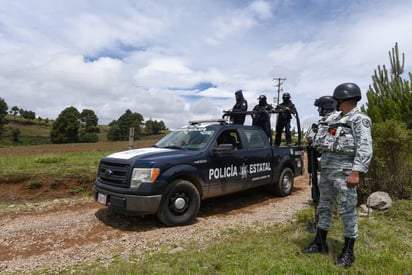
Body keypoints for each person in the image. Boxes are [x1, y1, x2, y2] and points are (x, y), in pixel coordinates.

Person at [303, 83, 373, 269]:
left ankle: (348, 252)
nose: (336, 104)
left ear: (343, 99)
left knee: (347, 211)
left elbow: (365, 147)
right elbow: (317, 133)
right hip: (326, 169)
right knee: (324, 206)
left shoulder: (359, 119)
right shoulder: (334, 117)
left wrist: (356, 171)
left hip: (345, 171)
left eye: (338, 100)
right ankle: (320, 242)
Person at [305, 96, 338, 232]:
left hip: (326, 165)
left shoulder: (333, 121)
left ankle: (321, 224)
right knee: (319, 194)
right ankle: (320, 223)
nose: (319, 110)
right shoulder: (325, 121)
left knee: (323, 195)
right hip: (321, 163)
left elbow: (314, 138)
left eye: (320, 107)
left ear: (327, 107)